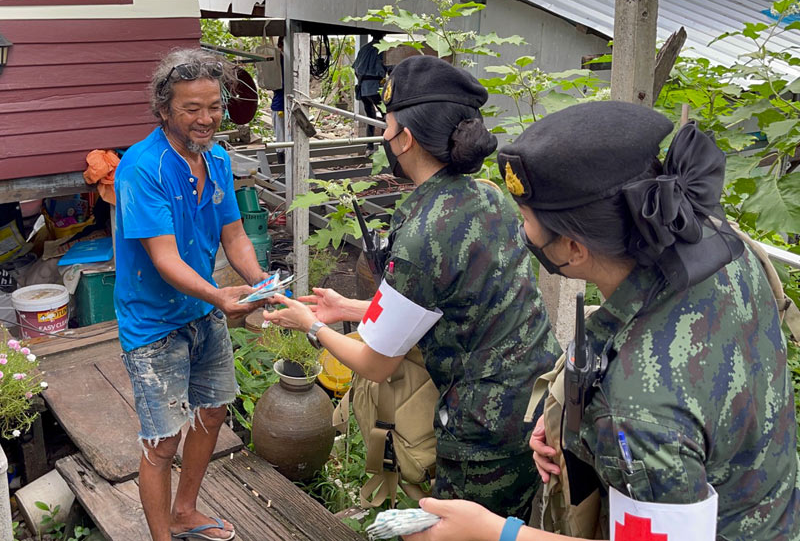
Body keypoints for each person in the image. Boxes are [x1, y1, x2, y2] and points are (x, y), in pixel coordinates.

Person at [400, 101, 800, 540]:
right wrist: (574, 427)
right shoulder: (711, 242)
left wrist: (493, 531)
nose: (521, 230)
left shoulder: (636, 411)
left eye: (526, 219)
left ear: (574, 248)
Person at [263, 55, 561, 519]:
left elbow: (376, 363)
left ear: (405, 139)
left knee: (462, 526)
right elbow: (445, 301)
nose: (384, 135)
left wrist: (313, 326)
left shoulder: (423, 233)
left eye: (388, 125)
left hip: (484, 427)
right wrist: (350, 307)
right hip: (539, 402)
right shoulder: (487, 195)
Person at [114, 48, 269, 541]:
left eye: (215, 106)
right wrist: (222, 297)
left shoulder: (217, 159)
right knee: (162, 442)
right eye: (192, 109)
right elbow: (165, 259)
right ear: (164, 110)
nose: (207, 119)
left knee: (214, 410)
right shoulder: (142, 168)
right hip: (153, 324)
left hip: (202, 311)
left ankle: (185, 512)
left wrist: (261, 281)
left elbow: (235, 236)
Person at [353, 33, 388, 150]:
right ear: (384, 35)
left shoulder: (364, 49)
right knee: (387, 116)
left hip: (363, 88)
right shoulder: (385, 49)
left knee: (370, 118)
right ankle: (384, 146)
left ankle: (369, 147)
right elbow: (391, 69)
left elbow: (356, 70)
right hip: (375, 87)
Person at [271, 37, 286, 164]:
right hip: (280, 105)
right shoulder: (278, 59)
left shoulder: (287, 59)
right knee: (281, 136)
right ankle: (282, 163)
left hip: (289, 104)